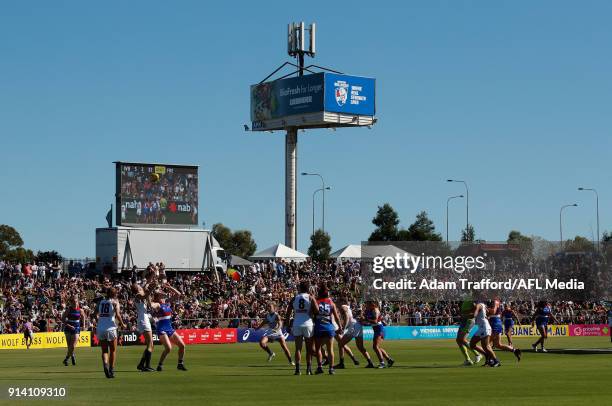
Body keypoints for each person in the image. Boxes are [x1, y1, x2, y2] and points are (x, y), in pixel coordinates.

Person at [150, 283, 187, 372]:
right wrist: (150, 296)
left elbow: (178, 294)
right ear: (157, 297)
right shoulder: (158, 304)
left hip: (169, 328)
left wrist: (169, 287)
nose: (163, 295)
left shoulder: (166, 302)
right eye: (161, 295)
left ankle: (180, 364)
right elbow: (151, 305)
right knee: (168, 348)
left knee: (182, 345)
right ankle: (160, 365)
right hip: (161, 329)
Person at [285, 280, 318, 375]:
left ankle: (298, 369)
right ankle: (308, 369)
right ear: (308, 288)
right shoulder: (310, 297)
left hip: (297, 324)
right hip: (308, 324)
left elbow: (288, 313)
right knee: (309, 349)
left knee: (298, 348)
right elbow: (317, 311)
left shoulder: (295, 298)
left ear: (300, 288)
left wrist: (287, 325)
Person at [334, 296, 374, 369]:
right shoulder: (346, 307)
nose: (336, 303)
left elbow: (347, 317)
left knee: (340, 344)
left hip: (353, 326)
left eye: (338, 301)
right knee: (360, 347)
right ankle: (370, 362)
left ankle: (341, 363)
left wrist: (343, 328)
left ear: (342, 302)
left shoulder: (343, 307)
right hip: (357, 325)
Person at [95, 288, 125, 378]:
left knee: (104, 351)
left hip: (100, 328)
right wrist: (123, 324)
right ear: (114, 294)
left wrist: (100, 321)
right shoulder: (115, 302)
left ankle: (105, 365)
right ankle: (111, 370)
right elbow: (118, 315)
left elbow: (94, 314)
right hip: (111, 328)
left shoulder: (100, 302)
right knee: (113, 350)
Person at [314, 283, 341, 375]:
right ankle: (331, 369)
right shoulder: (331, 303)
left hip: (319, 327)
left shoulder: (316, 302)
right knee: (330, 349)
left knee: (318, 348)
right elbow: (337, 317)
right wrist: (340, 327)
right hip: (329, 328)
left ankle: (320, 367)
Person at [132, 279, 156, 372]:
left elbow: (145, 291)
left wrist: (149, 285)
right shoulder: (138, 295)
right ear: (137, 289)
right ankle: (147, 366)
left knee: (150, 344)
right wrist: (151, 288)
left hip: (143, 319)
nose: (140, 287)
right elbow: (145, 295)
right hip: (143, 319)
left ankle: (141, 364)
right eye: (139, 286)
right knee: (150, 343)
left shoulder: (138, 294)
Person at [362, 301, 394, 368]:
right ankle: (389, 360)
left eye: (367, 304)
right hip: (376, 329)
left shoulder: (375, 310)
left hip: (379, 329)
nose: (366, 305)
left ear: (372, 304)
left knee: (375, 347)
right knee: (377, 347)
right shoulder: (369, 310)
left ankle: (382, 363)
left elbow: (375, 321)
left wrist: (366, 319)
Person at [470, 301, 499, 367]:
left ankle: (496, 361)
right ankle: (486, 355)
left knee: (486, 346)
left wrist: (466, 315)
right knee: (472, 344)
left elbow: (474, 315)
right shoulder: (483, 305)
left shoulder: (479, 305)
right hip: (481, 327)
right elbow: (488, 313)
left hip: (484, 327)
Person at [456, 298, 483, 366]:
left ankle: (477, 354)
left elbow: (476, 309)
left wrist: (466, 313)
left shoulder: (473, 298)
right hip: (464, 320)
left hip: (469, 320)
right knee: (458, 340)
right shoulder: (466, 298)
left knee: (462, 339)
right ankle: (468, 360)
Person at [62, 295, 84, 366]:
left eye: (76, 302)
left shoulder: (80, 310)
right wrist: (69, 325)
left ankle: (66, 359)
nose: (75, 303)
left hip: (76, 328)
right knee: (69, 347)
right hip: (68, 328)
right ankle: (72, 355)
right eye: (74, 302)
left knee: (73, 346)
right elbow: (63, 319)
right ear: (71, 302)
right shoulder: (68, 309)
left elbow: (83, 317)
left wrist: (83, 326)